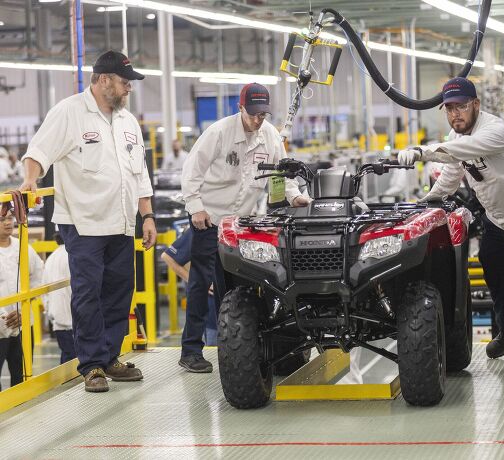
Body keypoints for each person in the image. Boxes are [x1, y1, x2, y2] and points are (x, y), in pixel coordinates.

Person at [20, 50, 156, 392]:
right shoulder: (69, 112)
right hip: (83, 223)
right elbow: (39, 151)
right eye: (125, 83)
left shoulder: (128, 122)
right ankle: (92, 366)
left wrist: (148, 215)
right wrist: (30, 180)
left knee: (119, 293)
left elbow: (139, 174)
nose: (129, 90)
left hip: (123, 223)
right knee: (87, 294)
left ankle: (111, 358)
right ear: (104, 80)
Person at [397, 77, 504, 371]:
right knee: (493, 273)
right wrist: (426, 202)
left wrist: (421, 151)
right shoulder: (455, 136)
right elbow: (451, 176)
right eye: (449, 109)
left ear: (476, 104)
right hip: (497, 221)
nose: (455, 114)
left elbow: (460, 152)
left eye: (461, 107)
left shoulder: (496, 131)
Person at [180, 82, 309, 373]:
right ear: (240, 108)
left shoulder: (271, 136)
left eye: (262, 114)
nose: (257, 119)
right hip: (210, 221)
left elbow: (281, 174)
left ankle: (244, 347)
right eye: (253, 114)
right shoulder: (218, 133)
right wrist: (195, 207)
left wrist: (295, 196)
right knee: (201, 285)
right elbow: (192, 171)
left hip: (243, 226)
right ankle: (190, 350)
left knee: (241, 287)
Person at [0, 213, 44, 390]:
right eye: (2, 219)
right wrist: (3, 315)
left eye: (10, 218)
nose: (8, 222)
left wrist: (22, 310)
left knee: (22, 377)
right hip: (1, 325)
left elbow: (38, 275)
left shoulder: (22, 247)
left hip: (23, 324)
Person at [160, 229, 217, 346]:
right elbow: (168, 257)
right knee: (216, 356)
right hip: (213, 317)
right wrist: (198, 282)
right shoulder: (205, 229)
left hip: (238, 315)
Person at [42, 232, 75, 364]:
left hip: (58, 320)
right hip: (73, 321)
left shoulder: (51, 258)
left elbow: (44, 290)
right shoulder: (73, 255)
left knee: (67, 359)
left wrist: (50, 313)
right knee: (75, 363)